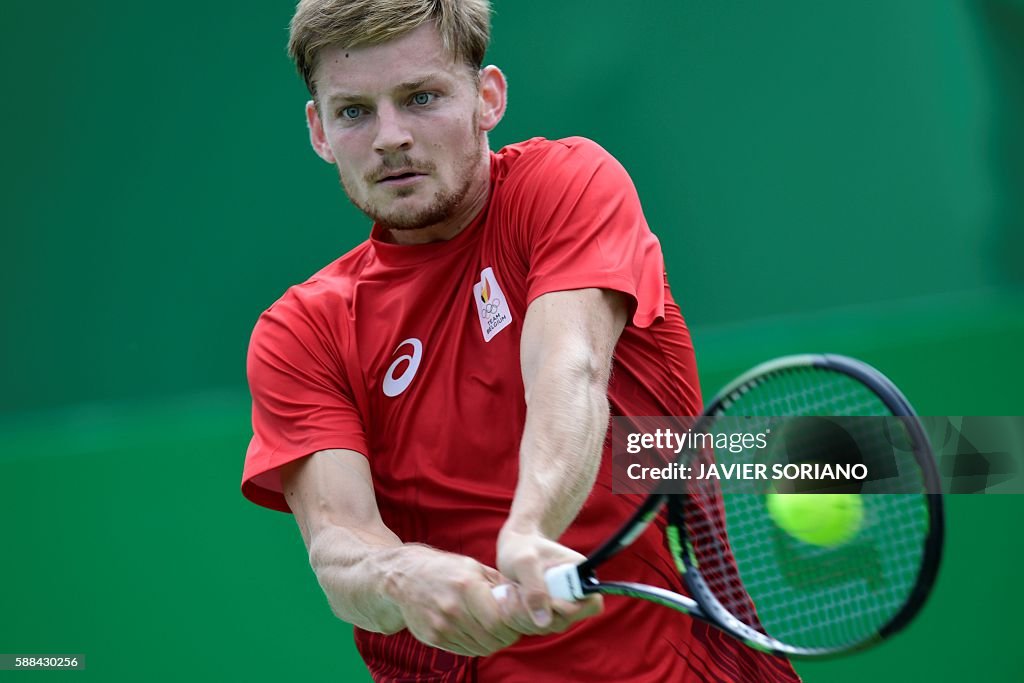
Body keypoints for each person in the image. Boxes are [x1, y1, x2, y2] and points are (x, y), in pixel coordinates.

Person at [241, 1, 801, 681]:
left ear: (487, 97)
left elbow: (571, 363)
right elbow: (338, 540)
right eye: (354, 111)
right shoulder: (302, 330)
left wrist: (530, 528)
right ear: (319, 131)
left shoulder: (563, 186)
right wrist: (398, 574)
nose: (390, 137)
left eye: (421, 97)